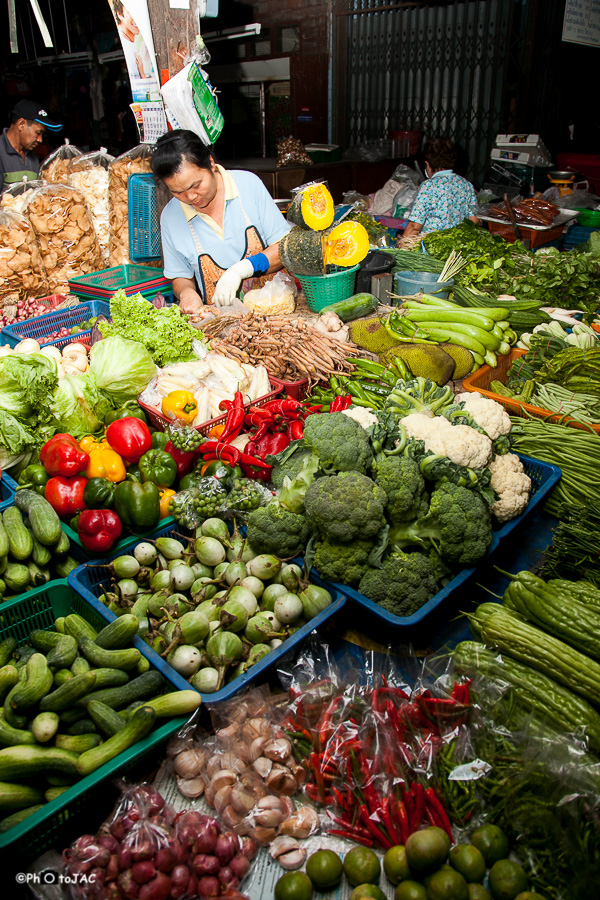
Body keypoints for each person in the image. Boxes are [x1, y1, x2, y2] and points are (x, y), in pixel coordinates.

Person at [151, 129, 291, 312]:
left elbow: (284, 248)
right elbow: (180, 276)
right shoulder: (170, 217)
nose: (191, 196)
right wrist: (187, 294)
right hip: (222, 325)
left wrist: (240, 270)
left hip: (278, 315)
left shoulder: (248, 185)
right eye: (178, 192)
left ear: (210, 164)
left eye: (196, 185)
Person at [399, 137, 479, 246]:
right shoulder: (466, 184)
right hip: (457, 249)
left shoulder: (429, 186)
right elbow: (474, 220)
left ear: (428, 164)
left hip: (433, 249)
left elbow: (414, 226)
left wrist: (401, 249)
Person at [0, 99, 62, 191]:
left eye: (42, 135)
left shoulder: (33, 157)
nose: (40, 140)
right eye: (38, 133)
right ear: (21, 124)